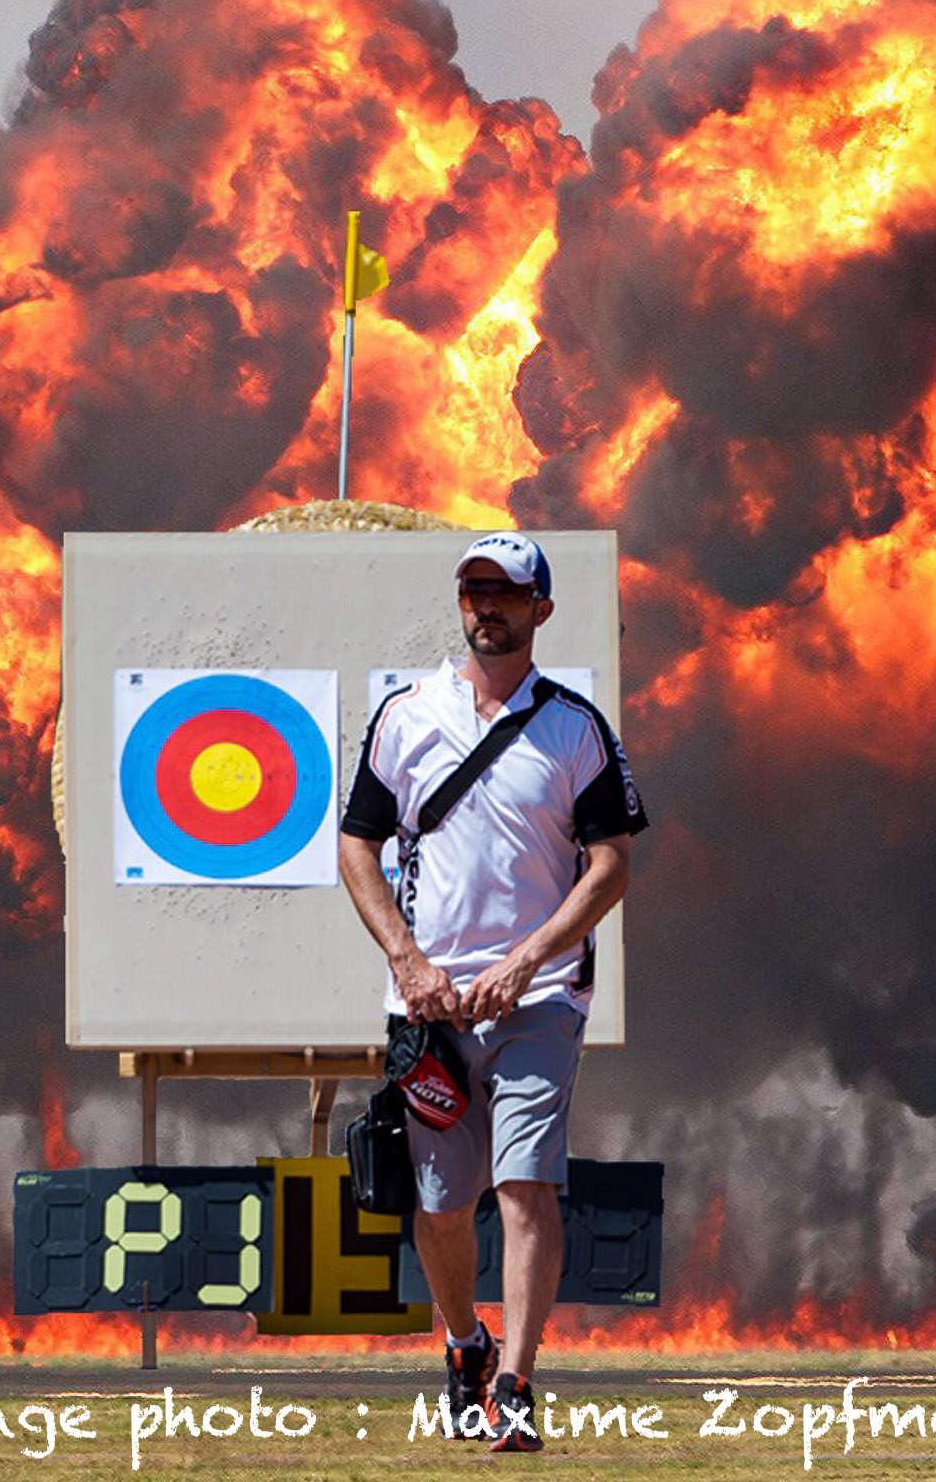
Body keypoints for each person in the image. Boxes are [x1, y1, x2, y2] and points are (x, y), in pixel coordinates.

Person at [334, 530, 647, 1453]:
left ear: (541, 610)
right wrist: (407, 959)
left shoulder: (574, 726)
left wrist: (529, 959)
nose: (486, 609)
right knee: (438, 1202)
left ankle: (516, 1382)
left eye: (505, 594)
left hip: (541, 1001)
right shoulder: (405, 715)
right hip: (427, 1010)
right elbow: (356, 846)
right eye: (474, 592)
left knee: (525, 1186)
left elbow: (611, 865)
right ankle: (464, 1345)